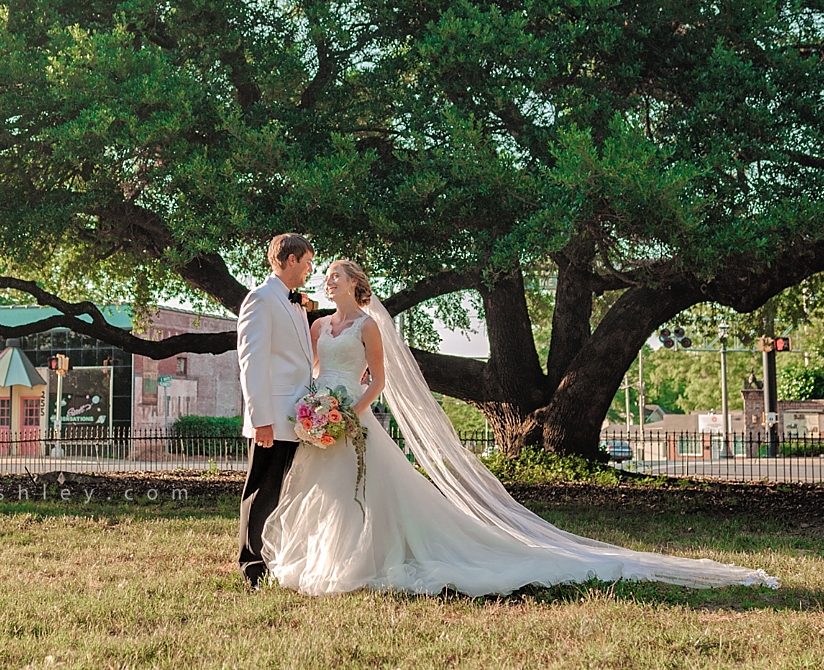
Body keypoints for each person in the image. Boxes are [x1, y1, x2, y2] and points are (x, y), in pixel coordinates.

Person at [260, 259, 779, 596]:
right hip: (321, 417)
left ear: (356, 284)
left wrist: (352, 410)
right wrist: (314, 407)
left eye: (336, 276)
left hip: (355, 418)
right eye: (324, 276)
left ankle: (370, 558)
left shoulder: (369, 325)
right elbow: (312, 371)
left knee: (371, 492)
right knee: (324, 492)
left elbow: (380, 378)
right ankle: (325, 557)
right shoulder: (316, 323)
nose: (328, 282)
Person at [236, 232, 316, 588]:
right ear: (290, 259)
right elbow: (251, 362)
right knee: (262, 490)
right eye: (308, 263)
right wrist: (261, 420)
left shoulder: (296, 303)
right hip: (272, 420)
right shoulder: (261, 299)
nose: (309, 271)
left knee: (285, 492)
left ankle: (275, 558)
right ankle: (252, 566)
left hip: (296, 419)